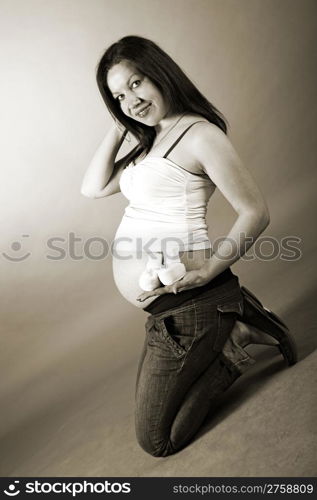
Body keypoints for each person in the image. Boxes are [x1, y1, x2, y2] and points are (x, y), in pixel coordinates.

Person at [81, 36, 297, 457]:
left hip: (192, 298)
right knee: (158, 414)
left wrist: (208, 271)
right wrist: (122, 121)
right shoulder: (149, 140)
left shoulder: (198, 135)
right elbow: (93, 188)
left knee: (157, 442)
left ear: (159, 72)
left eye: (137, 83)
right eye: (119, 95)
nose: (132, 100)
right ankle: (234, 318)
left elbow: (255, 212)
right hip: (166, 308)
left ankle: (237, 335)